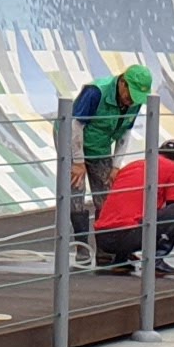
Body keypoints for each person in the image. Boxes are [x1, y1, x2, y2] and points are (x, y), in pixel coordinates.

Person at [69, 61, 154, 234]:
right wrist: (78, 161)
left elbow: (125, 132)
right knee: (76, 189)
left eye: (136, 99)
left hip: (100, 145)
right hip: (72, 140)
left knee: (106, 193)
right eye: (130, 96)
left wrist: (116, 165)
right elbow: (75, 126)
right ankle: (81, 246)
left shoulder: (135, 102)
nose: (131, 102)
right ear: (123, 82)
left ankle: (104, 248)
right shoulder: (95, 92)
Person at [91, 137, 174, 273]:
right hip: (127, 235)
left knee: (137, 214)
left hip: (103, 238)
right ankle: (156, 260)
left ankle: (120, 260)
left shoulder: (132, 166)